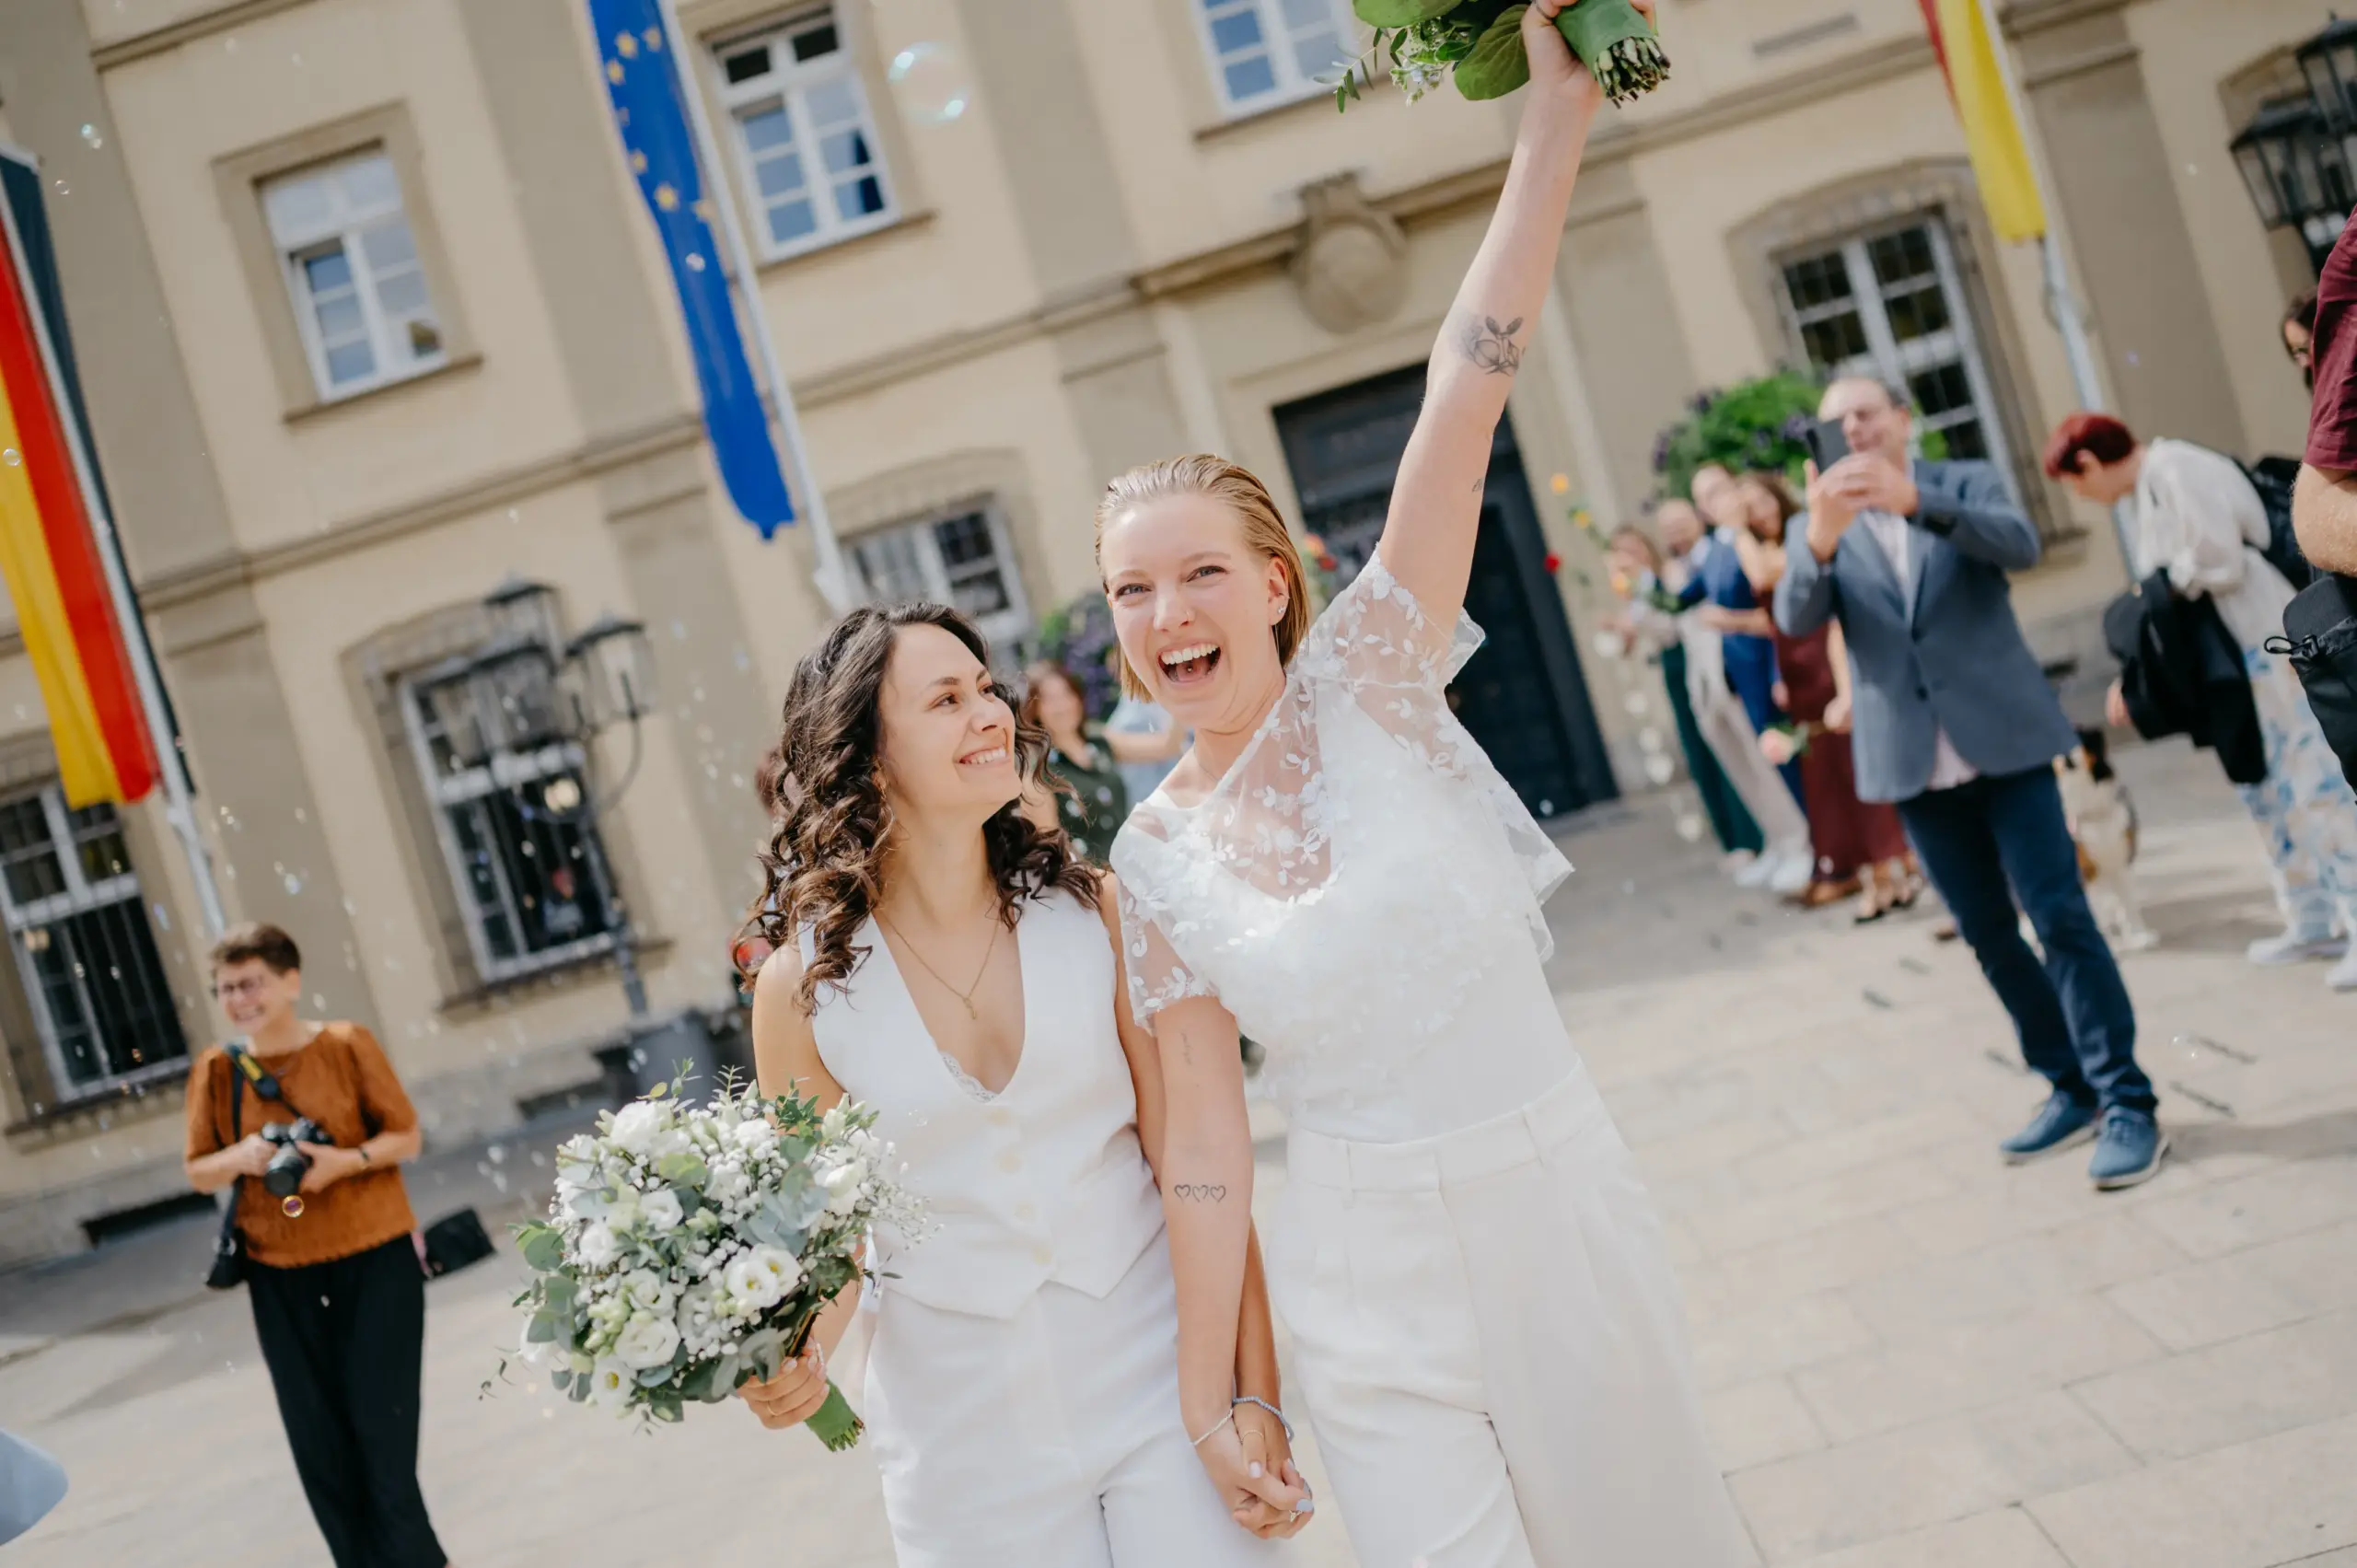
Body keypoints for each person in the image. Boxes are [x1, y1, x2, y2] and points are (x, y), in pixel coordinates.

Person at [1100, 5, 1749, 1562]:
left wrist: (1553, 127)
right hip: (1356, 1266)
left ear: (1274, 585)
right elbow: (1199, 1138)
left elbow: (1463, 402)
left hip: (1553, 1202)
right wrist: (1218, 1394)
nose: (1166, 615)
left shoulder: (1374, 687)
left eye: (1198, 575)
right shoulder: (1150, 851)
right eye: (1131, 593)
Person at [736, 602, 1306, 1565]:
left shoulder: (1099, 916)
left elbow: (1197, 1173)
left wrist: (1253, 1392)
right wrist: (793, 1354)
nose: (992, 712)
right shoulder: (801, 989)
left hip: (1160, 1383)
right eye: (948, 699)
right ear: (868, 758)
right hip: (959, 1438)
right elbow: (827, 1240)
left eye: (989, 689)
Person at [1776, 377, 2163, 1189]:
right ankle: (2069, 1085)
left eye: (1867, 411)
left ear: (1900, 421)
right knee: (1989, 935)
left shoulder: (1963, 483)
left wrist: (1915, 502)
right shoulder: (1816, 521)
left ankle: (2128, 1100)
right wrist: (1819, 537)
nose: (1853, 426)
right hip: (1913, 761)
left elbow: (2019, 544)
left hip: (2008, 742)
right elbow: (1798, 617)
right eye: (1837, 419)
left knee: (2060, 917)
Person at [2047, 413, 2357, 991]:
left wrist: (2156, 591)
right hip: (2237, 659)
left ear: (2086, 463)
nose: (2081, 496)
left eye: (2074, 483)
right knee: (2266, 790)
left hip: (2268, 643)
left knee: (2314, 786)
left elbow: (2219, 560)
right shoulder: (2149, 488)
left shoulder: (2174, 467)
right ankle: (2311, 917)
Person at [181, 923, 447, 1568]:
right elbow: (197, 1168)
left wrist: (343, 1161)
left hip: (376, 1257)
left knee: (382, 1432)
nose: (240, 998)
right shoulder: (218, 1070)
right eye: (227, 988)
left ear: (291, 980)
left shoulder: (345, 1043)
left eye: (253, 983)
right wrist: (242, 1156)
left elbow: (406, 1136)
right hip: (281, 1273)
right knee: (319, 1444)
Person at [1729, 471, 1917, 920]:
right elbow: (1767, 603)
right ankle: (1870, 875)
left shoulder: (1804, 532)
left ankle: (1894, 869)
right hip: (1793, 667)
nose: (1760, 512)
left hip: (1824, 653)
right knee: (1828, 779)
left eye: (1763, 501)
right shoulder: (1765, 545)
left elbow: (1781, 575)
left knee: (1857, 769)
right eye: (1748, 507)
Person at [1659, 494, 1815, 892]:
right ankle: (1778, 842)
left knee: (1769, 765)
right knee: (1744, 769)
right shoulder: (1697, 563)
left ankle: (1800, 844)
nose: (1676, 532)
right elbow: (1677, 603)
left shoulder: (1731, 546)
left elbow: (1766, 606)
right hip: (1712, 682)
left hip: (1746, 670)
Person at [1605, 517, 1761, 857]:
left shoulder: (1667, 577)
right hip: (1670, 669)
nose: (1630, 557)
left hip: (1690, 659)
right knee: (1697, 753)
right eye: (1623, 553)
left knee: (1717, 747)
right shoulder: (1634, 590)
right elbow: (1631, 638)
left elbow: (1674, 619)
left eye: (1634, 549)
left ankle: (1750, 837)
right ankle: (1731, 839)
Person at [1689, 462, 1807, 807]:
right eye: (1704, 499)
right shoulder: (1718, 546)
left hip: (1775, 661)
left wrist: (1730, 621)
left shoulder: (1753, 540)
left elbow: (1772, 609)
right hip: (1746, 672)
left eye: (1718, 491)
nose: (1715, 502)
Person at [1022, 661, 1183, 861]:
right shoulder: (1039, 778)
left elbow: (1168, 746)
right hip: (1098, 883)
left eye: (1066, 694)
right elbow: (1054, 853)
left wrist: (1180, 687)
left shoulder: (1100, 743)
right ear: (1035, 709)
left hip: (1136, 862)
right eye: (1050, 699)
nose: (1062, 705)